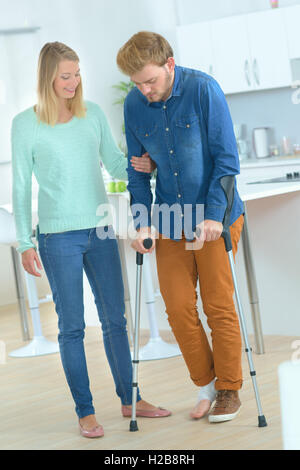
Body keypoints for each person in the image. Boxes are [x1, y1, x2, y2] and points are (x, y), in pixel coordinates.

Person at [11, 41, 171, 439]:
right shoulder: (25, 124)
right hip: (55, 236)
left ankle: (129, 398)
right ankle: (85, 411)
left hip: (100, 230)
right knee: (72, 327)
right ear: (48, 76)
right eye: (65, 75)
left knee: (115, 319)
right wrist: (24, 242)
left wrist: (144, 164)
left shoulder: (92, 114)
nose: (73, 82)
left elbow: (116, 164)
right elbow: (18, 186)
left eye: (77, 73)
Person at [117, 31, 245, 423]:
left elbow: (226, 161)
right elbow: (137, 173)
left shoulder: (204, 90)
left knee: (217, 305)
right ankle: (206, 385)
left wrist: (212, 215)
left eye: (150, 80)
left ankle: (228, 390)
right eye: (137, 83)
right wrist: (141, 223)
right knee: (176, 308)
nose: (144, 89)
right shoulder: (134, 105)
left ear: (169, 65)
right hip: (170, 220)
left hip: (214, 217)